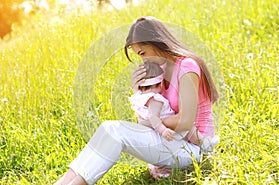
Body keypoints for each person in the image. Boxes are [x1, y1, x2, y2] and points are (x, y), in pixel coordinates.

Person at [55, 16, 220, 185]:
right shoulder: (160, 73)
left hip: (194, 148)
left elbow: (185, 122)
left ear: (156, 42)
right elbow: (147, 120)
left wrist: (155, 122)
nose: (143, 60)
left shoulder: (187, 66)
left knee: (115, 132)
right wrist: (140, 93)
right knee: (108, 128)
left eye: (143, 53)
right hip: (174, 141)